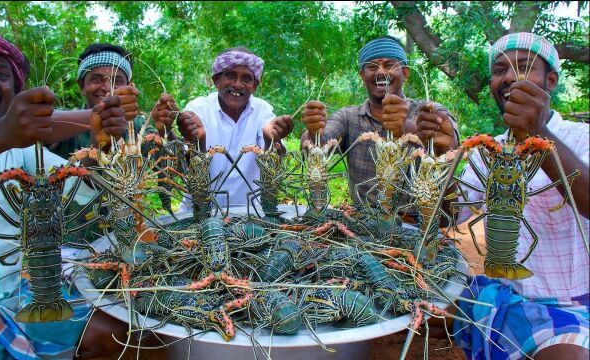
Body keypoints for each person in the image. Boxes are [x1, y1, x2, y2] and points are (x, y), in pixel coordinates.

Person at [0, 20, 140, 359]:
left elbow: (81, 186)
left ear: (12, 91)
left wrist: (101, 147)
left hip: (25, 290)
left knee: (131, 335)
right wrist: (3, 133)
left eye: (3, 75)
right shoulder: (4, 138)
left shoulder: (22, 151)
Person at [430, 32, 589, 360]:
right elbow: (454, 225)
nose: (510, 77)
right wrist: (443, 161)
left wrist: (538, 134)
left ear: (551, 80)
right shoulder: (483, 152)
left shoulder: (582, 137)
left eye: (524, 67)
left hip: (572, 301)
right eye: (500, 69)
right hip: (499, 294)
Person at [300, 36, 459, 209]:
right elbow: (318, 145)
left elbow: (450, 151)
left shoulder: (429, 112)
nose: (381, 72)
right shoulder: (348, 117)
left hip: (416, 222)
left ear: (405, 72)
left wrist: (409, 129)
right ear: (362, 75)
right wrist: (313, 132)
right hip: (362, 221)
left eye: (389, 65)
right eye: (371, 67)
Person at [153, 46, 294, 210]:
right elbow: (181, 166)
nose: (237, 84)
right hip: (197, 214)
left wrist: (272, 139)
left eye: (247, 79)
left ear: (255, 85)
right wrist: (166, 132)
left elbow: (275, 158)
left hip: (251, 215)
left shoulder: (263, 110)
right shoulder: (198, 108)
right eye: (230, 75)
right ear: (216, 80)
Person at [47, 42, 143, 160]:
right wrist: (100, 116)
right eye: (97, 79)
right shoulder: (62, 122)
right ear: (82, 85)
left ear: (129, 86)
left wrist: (167, 129)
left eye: (117, 81)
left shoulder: (138, 125)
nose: (108, 88)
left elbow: (167, 159)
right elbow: (35, 126)